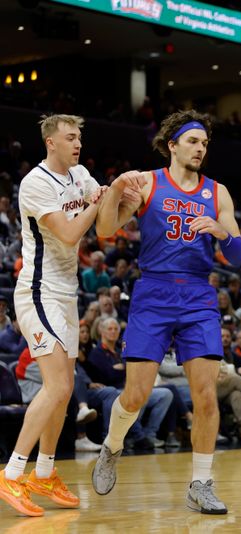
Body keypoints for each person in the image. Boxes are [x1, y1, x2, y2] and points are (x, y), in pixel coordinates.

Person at [91, 110, 241, 514]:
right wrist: (114, 192)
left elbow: (238, 255)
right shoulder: (147, 183)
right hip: (154, 292)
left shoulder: (217, 192)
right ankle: (112, 445)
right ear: (172, 144)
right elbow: (105, 230)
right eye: (193, 141)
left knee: (206, 397)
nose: (200, 149)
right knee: (136, 394)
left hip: (198, 296)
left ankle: (201, 483)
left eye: (205, 143)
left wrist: (222, 231)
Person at [0, 114, 106, 517]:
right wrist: (98, 204)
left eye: (80, 136)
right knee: (58, 386)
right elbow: (67, 233)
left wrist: (126, 190)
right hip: (38, 292)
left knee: (62, 391)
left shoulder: (81, 174)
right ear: (51, 143)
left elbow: (107, 216)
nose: (78, 143)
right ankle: (11, 474)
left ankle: (43, 473)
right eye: (70, 137)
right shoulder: (35, 183)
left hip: (67, 296)